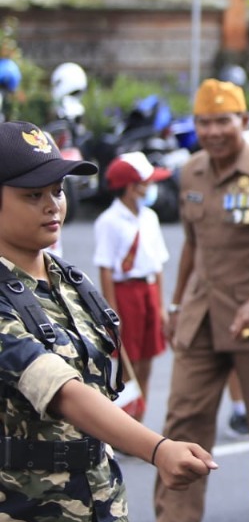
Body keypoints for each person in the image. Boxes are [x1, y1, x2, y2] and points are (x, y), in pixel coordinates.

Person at [0, 120, 215, 522]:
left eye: (57, 191)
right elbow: (64, 392)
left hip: (102, 511)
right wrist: (158, 448)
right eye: (32, 195)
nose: (53, 206)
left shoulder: (68, 280)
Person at [135, 79, 249, 522]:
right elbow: (192, 244)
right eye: (204, 121)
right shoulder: (190, 173)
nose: (212, 131)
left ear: (243, 123)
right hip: (202, 316)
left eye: (222, 121)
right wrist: (174, 302)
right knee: (183, 415)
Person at [93, 151, 172, 420]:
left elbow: (158, 264)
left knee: (148, 360)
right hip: (126, 294)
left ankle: (140, 417)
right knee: (128, 362)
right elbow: (105, 268)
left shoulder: (149, 217)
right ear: (130, 187)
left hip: (149, 291)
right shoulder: (109, 222)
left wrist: (160, 306)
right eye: (147, 182)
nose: (152, 188)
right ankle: (123, 422)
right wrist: (112, 313)